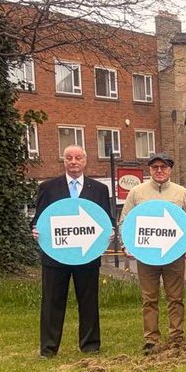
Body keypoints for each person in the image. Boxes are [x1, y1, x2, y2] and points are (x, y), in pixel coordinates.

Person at [32, 145, 112, 358]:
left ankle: (90, 345)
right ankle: (48, 348)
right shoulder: (48, 187)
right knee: (51, 301)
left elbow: (107, 220)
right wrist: (35, 230)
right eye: (69, 158)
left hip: (87, 255)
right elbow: (38, 219)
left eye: (78, 158)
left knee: (88, 300)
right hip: (55, 256)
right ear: (64, 161)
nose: (74, 161)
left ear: (85, 161)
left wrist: (110, 232)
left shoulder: (99, 189)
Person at [119, 153, 186, 352]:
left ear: (170, 169)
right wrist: (126, 243)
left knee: (176, 296)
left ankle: (176, 336)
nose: (159, 170)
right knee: (149, 298)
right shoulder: (137, 192)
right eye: (155, 167)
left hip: (174, 254)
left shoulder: (180, 192)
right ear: (150, 169)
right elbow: (125, 222)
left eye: (163, 167)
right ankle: (151, 338)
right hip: (146, 254)